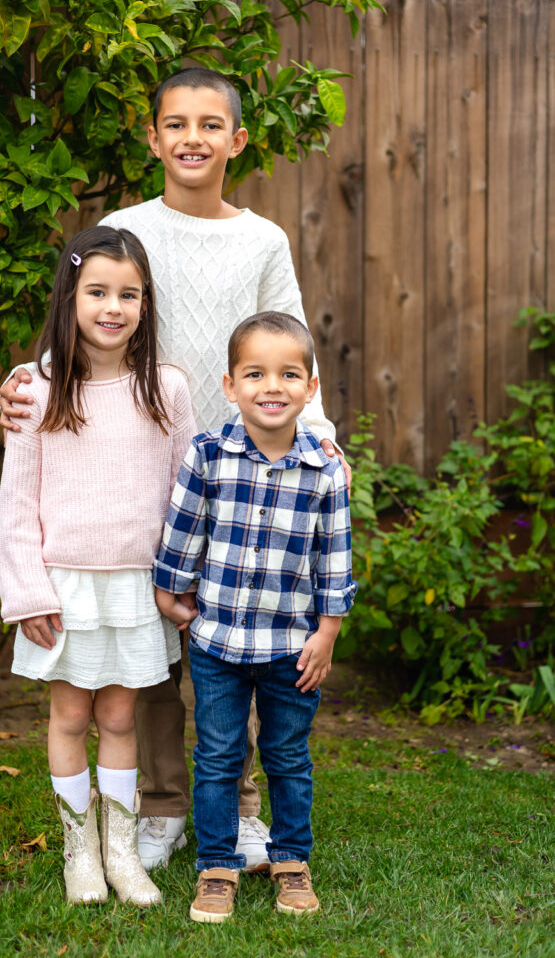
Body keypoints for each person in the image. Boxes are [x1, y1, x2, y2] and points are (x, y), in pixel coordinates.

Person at [0, 66, 353, 873]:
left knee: (235, 646)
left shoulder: (262, 240)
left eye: (209, 124)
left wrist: (319, 431)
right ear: (152, 136)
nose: (192, 138)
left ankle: (241, 810)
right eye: (176, 124)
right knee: (150, 650)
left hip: (240, 472)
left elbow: (289, 337)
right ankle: (157, 808)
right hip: (145, 467)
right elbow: (80, 330)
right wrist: (23, 382)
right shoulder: (126, 226)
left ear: (237, 140)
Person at [0, 225, 196, 907]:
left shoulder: (165, 390)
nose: (113, 307)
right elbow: (17, 502)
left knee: (119, 716)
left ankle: (121, 852)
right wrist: (27, 592)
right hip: (63, 586)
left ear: (145, 304)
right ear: (70, 296)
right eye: (98, 292)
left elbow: (183, 494)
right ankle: (78, 851)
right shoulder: (36, 387)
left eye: (129, 294)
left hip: (136, 586)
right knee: (70, 716)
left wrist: (178, 581)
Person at [154, 312, 357, 923]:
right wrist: (171, 592)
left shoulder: (325, 472)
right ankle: (217, 867)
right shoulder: (209, 456)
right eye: (255, 373)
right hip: (217, 642)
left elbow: (335, 558)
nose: (272, 385)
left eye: (288, 373)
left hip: (293, 647)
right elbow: (184, 531)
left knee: (288, 754)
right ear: (230, 385)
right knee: (218, 756)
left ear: (310, 387)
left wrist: (327, 635)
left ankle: (291, 859)